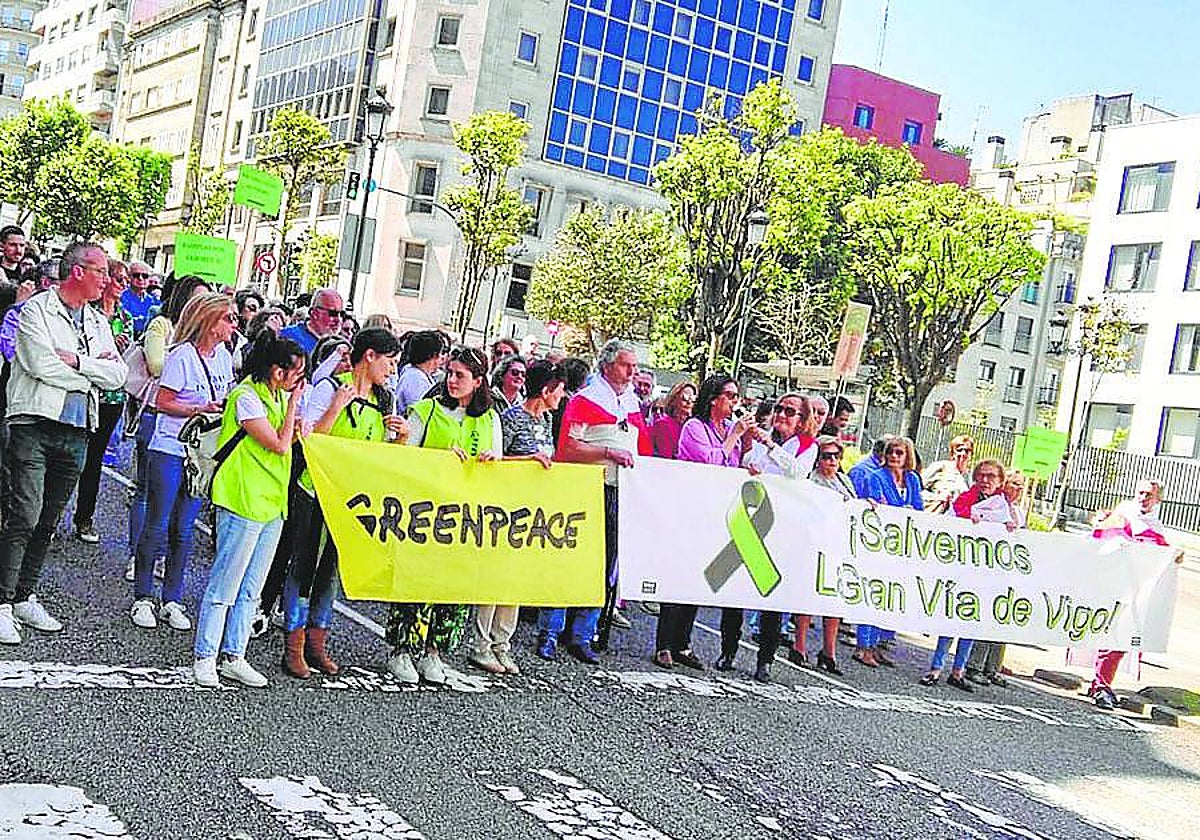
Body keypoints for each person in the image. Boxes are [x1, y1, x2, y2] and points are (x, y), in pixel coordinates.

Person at [0, 242, 127, 645]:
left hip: (77, 429)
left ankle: (25, 595)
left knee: (49, 519)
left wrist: (77, 363)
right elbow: (39, 364)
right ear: (78, 272)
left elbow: (119, 376)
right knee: (24, 512)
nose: (107, 280)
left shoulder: (97, 320)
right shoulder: (35, 310)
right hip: (34, 423)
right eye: (101, 271)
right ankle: (2, 601)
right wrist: (93, 372)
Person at [282, 328, 407, 679]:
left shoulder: (385, 399)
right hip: (317, 492)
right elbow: (308, 439)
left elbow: (379, 456)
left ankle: (317, 640)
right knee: (304, 567)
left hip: (352, 499)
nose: (393, 369)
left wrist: (401, 438)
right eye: (390, 361)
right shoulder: (330, 387)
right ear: (369, 356)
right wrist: (337, 408)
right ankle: (293, 641)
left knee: (330, 571)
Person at [192, 332, 306, 687]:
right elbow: (279, 445)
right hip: (242, 499)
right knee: (226, 582)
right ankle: (205, 655)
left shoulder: (272, 396)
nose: (299, 382)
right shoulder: (246, 397)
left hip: (271, 504)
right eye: (296, 374)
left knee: (252, 586)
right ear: (276, 372)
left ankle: (234, 654)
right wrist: (291, 414)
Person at [385, 346, 501, 685]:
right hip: (426, 514)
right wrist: (439, 457)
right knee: (418, 584)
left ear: (479, 382)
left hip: (466, 518)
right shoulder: (427, 411)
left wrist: (493, 460)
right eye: (449, 373)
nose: (451, 380)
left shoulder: (490, 418)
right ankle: (402, 650)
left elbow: (499, 463)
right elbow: (406, 457)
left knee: (453, 588)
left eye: (460, 376)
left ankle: (434, 652)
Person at [130, 293, 237, 632]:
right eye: (228, 318)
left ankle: (171, 599)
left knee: (185, 528)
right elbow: (162, 402)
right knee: (159, 522)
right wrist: (199, 409)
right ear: (210, 322)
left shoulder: (223, 357)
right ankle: (143, 597)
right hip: (171, 446)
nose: (234, 325)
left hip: (200, 453)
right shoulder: (182, 356)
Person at [547, 339, 650, 663]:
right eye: (625, 364)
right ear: (607, 366)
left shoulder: (632, 404)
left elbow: (642, 451)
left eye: (633, 365)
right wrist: (607, 452)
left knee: (604, 566)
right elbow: (568, 448)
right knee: (572, 561)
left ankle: (583, 634)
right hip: (588, 488)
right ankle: (550, 631)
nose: (632, 371)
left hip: (620, 492)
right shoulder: (585, 400)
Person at [654, 375, 755, 674]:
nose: (735, 401)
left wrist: (745, 445)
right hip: (690, 509)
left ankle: (683, 642)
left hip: (716, 513)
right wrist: (734, 436)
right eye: (730, 395)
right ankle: (663, 644)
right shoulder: (695, 427)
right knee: (677, 578)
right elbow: (708, 461)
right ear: (714, 398)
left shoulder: (727, 430)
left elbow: (730, 466)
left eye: (737, 397)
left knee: (697, 582)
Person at [472, 359, 565, 675]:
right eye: (559, 390)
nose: (561, 397)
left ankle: (503, 643)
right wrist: (529, 459)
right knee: (496, 576)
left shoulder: (547, 420)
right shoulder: (511, 418)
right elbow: (497, 457)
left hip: (534, 510)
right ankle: (481, 644)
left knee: (516, 580)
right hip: (506, 507)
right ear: (545, 389)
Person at [125, 275, 212, 582]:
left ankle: (159, 559)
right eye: (198, 300)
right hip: (155, 417)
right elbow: (156, 365)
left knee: (179, 502)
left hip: (192, 431)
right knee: (147, 492)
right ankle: (139, 558)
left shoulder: (213, 348)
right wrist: (183, 355)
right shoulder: (162, 325)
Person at [1086, 479, 1183, 710]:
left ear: (1158, 499)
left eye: (1149, 494)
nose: (1144, 497)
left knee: (1120, 640)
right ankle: (1100, 686)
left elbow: (1162, 555)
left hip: (1135, 591)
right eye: (1141, 492)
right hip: (1111, 586)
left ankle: (1101, 683)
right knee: (1109, 637)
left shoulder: (1155, 526)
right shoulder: (1121, 515)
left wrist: (1175, 557)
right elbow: (1098, 539)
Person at [919, 460, 1005, 692]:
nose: (986, 481)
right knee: (951, 621)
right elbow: (952, 521)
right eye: (982, 475)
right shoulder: (964, 499)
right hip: (962, 570)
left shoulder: (1002, 505)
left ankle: (958, 671)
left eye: (991, 477)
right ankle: (935, 668)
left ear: (999, 481)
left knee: (970, 624)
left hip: (985, 574)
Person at [73, 258, 135, 543]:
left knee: (95, 458)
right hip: (85, 391)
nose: (123, 284)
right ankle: (48, 515)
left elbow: (123, 363)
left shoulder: (126, 318)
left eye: (126, 280)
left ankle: (84, 517)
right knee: (69, 454)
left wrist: (114, 354)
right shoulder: (87, 312)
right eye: (119, 279)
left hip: (112, 396)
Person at [856, 436, 923, 668]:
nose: (895, 456)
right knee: (874, 593)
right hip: (881, 543)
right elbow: (877, 503)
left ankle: (877, 644)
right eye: (891, 452)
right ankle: (863, 645)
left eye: (900, 453)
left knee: (888, 597)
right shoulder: (876, 476)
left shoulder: (912, 479)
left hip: (902, 545)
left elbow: (918, 507)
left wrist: (907, 511)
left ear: (907, 456)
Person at [793, 434, 856, 675]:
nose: (831, 461)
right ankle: (800, 646)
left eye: (836, 456)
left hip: (839, 546)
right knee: (808, 596)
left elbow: (853, 505)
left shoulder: (845, 481)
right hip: (815, 543)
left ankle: (828, 651)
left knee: (834, 601)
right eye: (826, 456)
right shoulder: (812, 480)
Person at [966, 470, 1028, 687]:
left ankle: (993, 667)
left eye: (1021, 486)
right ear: (1004, 484)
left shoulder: (1019, 512)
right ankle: (974, 665)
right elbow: (978, 519)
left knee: (1002, 618)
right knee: (987, 618)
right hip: (990, 569)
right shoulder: (995, 503)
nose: (1018, 489)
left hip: (1009, 572)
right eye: (1014, 484)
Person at [393, 330, 446, 415]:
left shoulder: (416, 373)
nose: (442, 358)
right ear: (432, 356)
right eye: (440, 354)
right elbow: (419, 412)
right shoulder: (415, 380)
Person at [280, 287, 344, 356]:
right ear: (315, 313)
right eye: (332, 314)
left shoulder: (340, 345)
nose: (338, 320)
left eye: (342, 314)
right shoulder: (287, 336)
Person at [921, 435, 974, 514]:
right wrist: (937, 498)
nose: (963, 453)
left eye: (967, 450)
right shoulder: (941, 467)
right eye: (959, 450)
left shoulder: (970, 479)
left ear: (971, 455)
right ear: (952, 454)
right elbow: (917, 489)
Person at [649, 381, 695, 459]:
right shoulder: (663, 424)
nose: (689, 402)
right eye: (685, 397)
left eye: (693, 398)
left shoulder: (693, 428)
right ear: (674, 399)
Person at [120, 261, 160, 337]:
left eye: (145, 276)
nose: (140, 278)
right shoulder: (120, 297)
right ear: (129, 277)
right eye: (136, 275)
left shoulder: (155, 301)